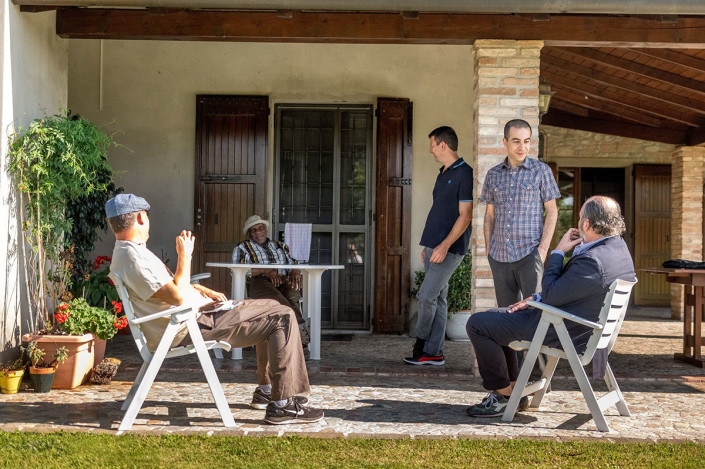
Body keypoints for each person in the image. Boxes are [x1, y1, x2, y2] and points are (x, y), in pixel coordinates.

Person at [106, 194, 323, 425]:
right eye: (147, 217)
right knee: (282, 315)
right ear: (140, 217)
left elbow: (166, 289)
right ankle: (283, 404)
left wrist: (200, 289)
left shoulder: (128, 252)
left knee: (274, 307)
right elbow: (177, 296)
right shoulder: (134, 257)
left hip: (192, 318)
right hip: (188, 325)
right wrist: (185, 256)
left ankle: (268, 390)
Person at [465, 196, 636, 417]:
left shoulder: (592, 260)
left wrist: (558, 251)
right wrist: (534, 298)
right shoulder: (617, 249)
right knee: (497, 316)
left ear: (586, 224)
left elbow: (552, 293)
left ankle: (504, 395)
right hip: (578, 324)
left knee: (479, 324)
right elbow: (572, 288)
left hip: (563, 327)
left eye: (580, 217)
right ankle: (513, 391)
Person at [404, 126, 473, 366]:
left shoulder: (465, 173)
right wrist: (431, 244)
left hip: (450, 248)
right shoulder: (442, 172)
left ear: (443, 145)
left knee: (426, 296)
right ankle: (434, 353)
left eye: (433, 144)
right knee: (439, 298)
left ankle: (421, 342)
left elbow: (465, 216)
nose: (431, 150)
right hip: (433, 245)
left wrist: (443, 246)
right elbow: (439, 211)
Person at [481, 119, 560, 308]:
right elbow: (489, 214)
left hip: (529, 253)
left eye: (527, 141)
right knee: (506, 313)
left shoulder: (541, 171)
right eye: (516, 141)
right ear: (505, 142)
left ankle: (533, 340)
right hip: (499, 256)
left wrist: (542, 250)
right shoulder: (493, 174)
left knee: (534, 309)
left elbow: (552, 211)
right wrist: (488, 248)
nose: (522, 147)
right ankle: (511, 340)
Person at [232, 215, 309, 347]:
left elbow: (292, 263)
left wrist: (296, 270)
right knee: (276, 298)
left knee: (292, 294)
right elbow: (236, 270)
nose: (258, 232)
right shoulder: (242, 247)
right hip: (258, 281)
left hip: (282, 279)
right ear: (249, 234)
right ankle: (299, 329)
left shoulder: (280, 245)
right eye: (253, 230)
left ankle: (293, 338)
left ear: (266, 230)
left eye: (260, 228)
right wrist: (265, 271)